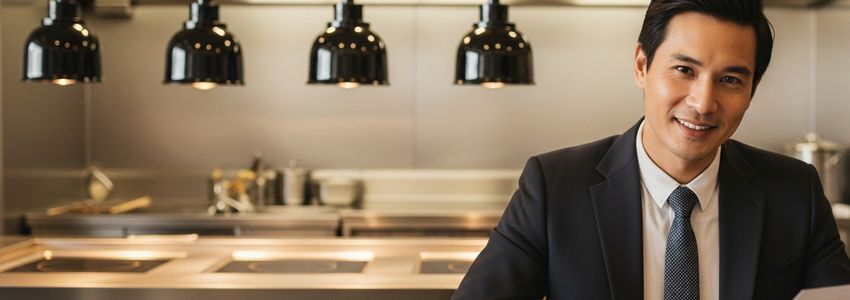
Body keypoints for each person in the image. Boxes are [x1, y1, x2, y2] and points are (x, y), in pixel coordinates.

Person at [451, 0, 850, 299]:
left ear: (751, 91)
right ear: (642, 65)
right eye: (684, 70)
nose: (703, 102)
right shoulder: (555, 187)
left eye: (729, 79)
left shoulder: (796, 192)